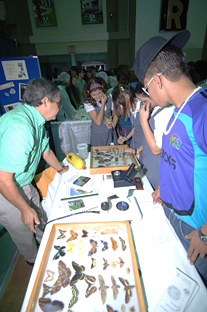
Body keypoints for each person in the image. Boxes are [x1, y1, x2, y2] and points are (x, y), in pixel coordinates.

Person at [133, 29, 207, 286]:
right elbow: (184, 159)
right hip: (174, 212)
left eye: (146, 86)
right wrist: (167, 187)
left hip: (197, 230)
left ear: (158, 80)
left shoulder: (203, 114)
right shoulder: (178, 110)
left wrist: (205, 234)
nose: (147, 93)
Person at [0, 77, 69, 265]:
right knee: (24, 230)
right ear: (45, 101)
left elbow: (45, 152)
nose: (60, 106)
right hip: (5, 189)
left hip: (22, 181)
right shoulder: (20, 128)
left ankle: (46, 246)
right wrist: (23, 208)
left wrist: (62, 170)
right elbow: (3, 180)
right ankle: (35, 262)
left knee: (39, 218)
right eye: (58, 102)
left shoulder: (35, 119)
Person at [135, 81, 174, 190]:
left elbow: (156, 149)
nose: (144, 104)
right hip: (147, 161)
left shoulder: (167, 111)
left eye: (145, 101)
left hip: (157, 164)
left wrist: (143, 120)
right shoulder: (155, 107)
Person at [83, 77, 116, 146]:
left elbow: (115, 113)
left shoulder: (110, 97)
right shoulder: (88, 103)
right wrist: (103, 103)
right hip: (98, 134)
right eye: (94, 95)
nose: (97, 96)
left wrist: (113, 122)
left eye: (99, 93)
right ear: (88, 92)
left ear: (102, 88)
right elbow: (98, 121)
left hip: (110, 132)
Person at [112, 84, 142, 152]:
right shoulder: (130, 108)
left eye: (121, 103)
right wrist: (126, 137)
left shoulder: (142, 107)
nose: (121, 107)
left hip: (143, 148)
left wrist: (136, 151)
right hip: (135, 144)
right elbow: (136, 126)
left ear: (127, 96)